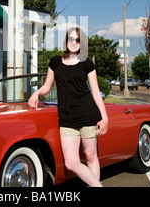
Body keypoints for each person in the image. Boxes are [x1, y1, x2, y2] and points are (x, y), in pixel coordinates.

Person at [28, 27, 108, 187]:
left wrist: (104, 117)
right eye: (71, 39)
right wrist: (36, 94)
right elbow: (47, 86)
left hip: (87, 114)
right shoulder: (55, 62)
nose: (73, 42)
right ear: (66, 41)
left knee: (91, 156)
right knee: (71, 163)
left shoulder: (87, 63)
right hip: (66, 118)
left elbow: (96, 93)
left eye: (77, 40)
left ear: (82, 43)